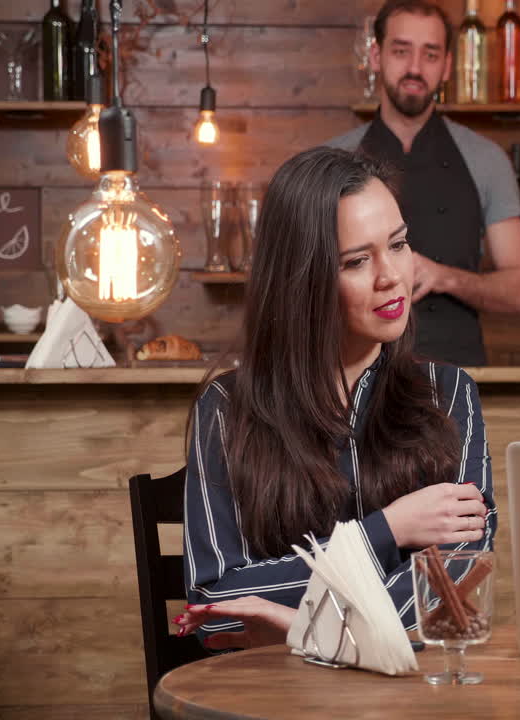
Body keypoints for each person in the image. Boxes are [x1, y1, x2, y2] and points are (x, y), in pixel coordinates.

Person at [174, 147, 494, 649]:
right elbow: (216, 604)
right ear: (302, 278)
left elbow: (454, 588)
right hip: (273, 698)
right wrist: (387, 531)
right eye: (357, 261)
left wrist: (307, 623)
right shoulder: (227, 409)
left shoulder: (449, 395)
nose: (391, 276)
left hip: (413, 698)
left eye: (399, 244)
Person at [327, 0, 520, 367]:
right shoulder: (332, 161)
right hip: (351, 378)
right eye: (401, 51)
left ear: (447, 67)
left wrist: (443, 277)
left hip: (457, 374)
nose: (414, 68)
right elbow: (299, 282)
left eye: (430, 54)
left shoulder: (485, 160)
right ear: (376, 56)